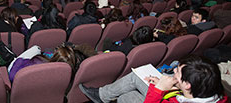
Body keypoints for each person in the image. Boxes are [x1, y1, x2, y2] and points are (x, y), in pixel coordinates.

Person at [79, 55, 228, 103]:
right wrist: (172, 87)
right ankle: (102, 95)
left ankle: (102, 96)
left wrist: (159, 90)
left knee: (126, 97)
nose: (174, 70)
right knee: (134, 78)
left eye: (178, 71)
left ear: (188, 84)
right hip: (172, 96)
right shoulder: (212, 91)